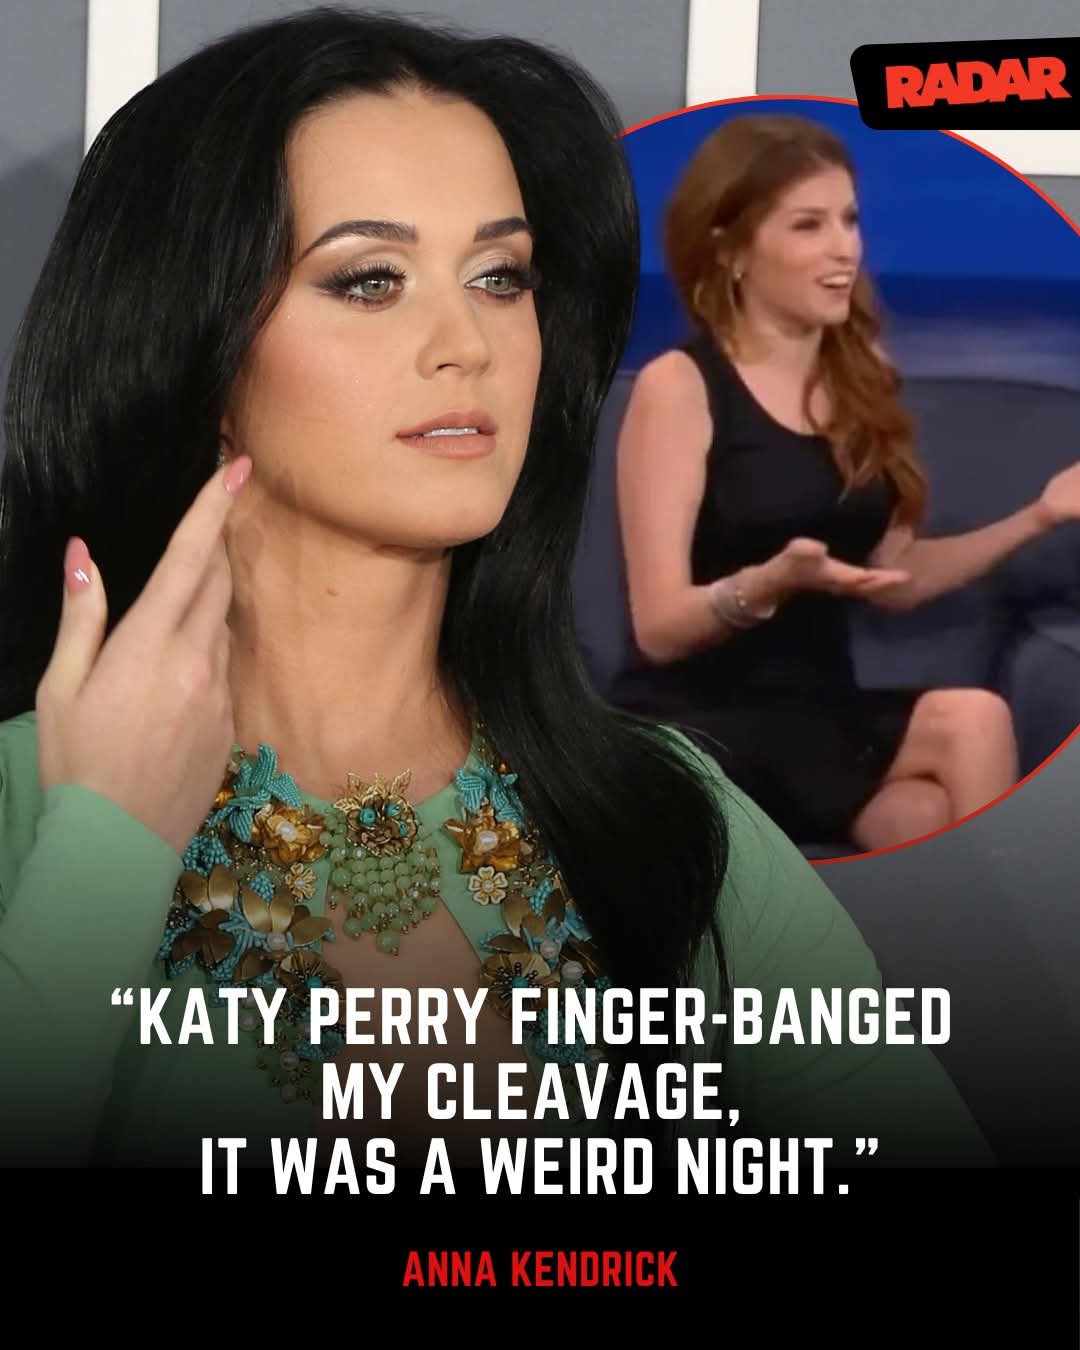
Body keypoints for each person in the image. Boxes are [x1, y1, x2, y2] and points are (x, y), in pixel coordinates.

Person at [0, 10, 991, 1170]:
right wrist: (104, 859)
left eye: (499, 276)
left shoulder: (660, 813)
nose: (466, 341)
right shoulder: (33, 807)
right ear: (198, 345)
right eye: (371, 279)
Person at [611, 114, 1080, 853]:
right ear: (731, 250)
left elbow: (897, 578)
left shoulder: (864, 381)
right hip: (698, 718)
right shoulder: (679, 386)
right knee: (973, 719)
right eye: (809, 225)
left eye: (850, 220)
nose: (845, 249)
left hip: (822, 711)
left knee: (926, 814)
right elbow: (659, 629)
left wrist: (1041, 515)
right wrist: (770, 582)